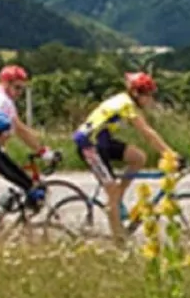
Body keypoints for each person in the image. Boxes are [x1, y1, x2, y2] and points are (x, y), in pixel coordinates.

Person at [74, 72, 179, 240]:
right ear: (136, 94)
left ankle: (117, 197)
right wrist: (170, 154)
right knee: (112, 193)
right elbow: (147, 132)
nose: (151, 99)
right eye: (148, 95)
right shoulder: (125, 104)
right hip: (89, 145)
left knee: (139, 157)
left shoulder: (126, 101)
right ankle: (119, 239)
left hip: (103, 141)